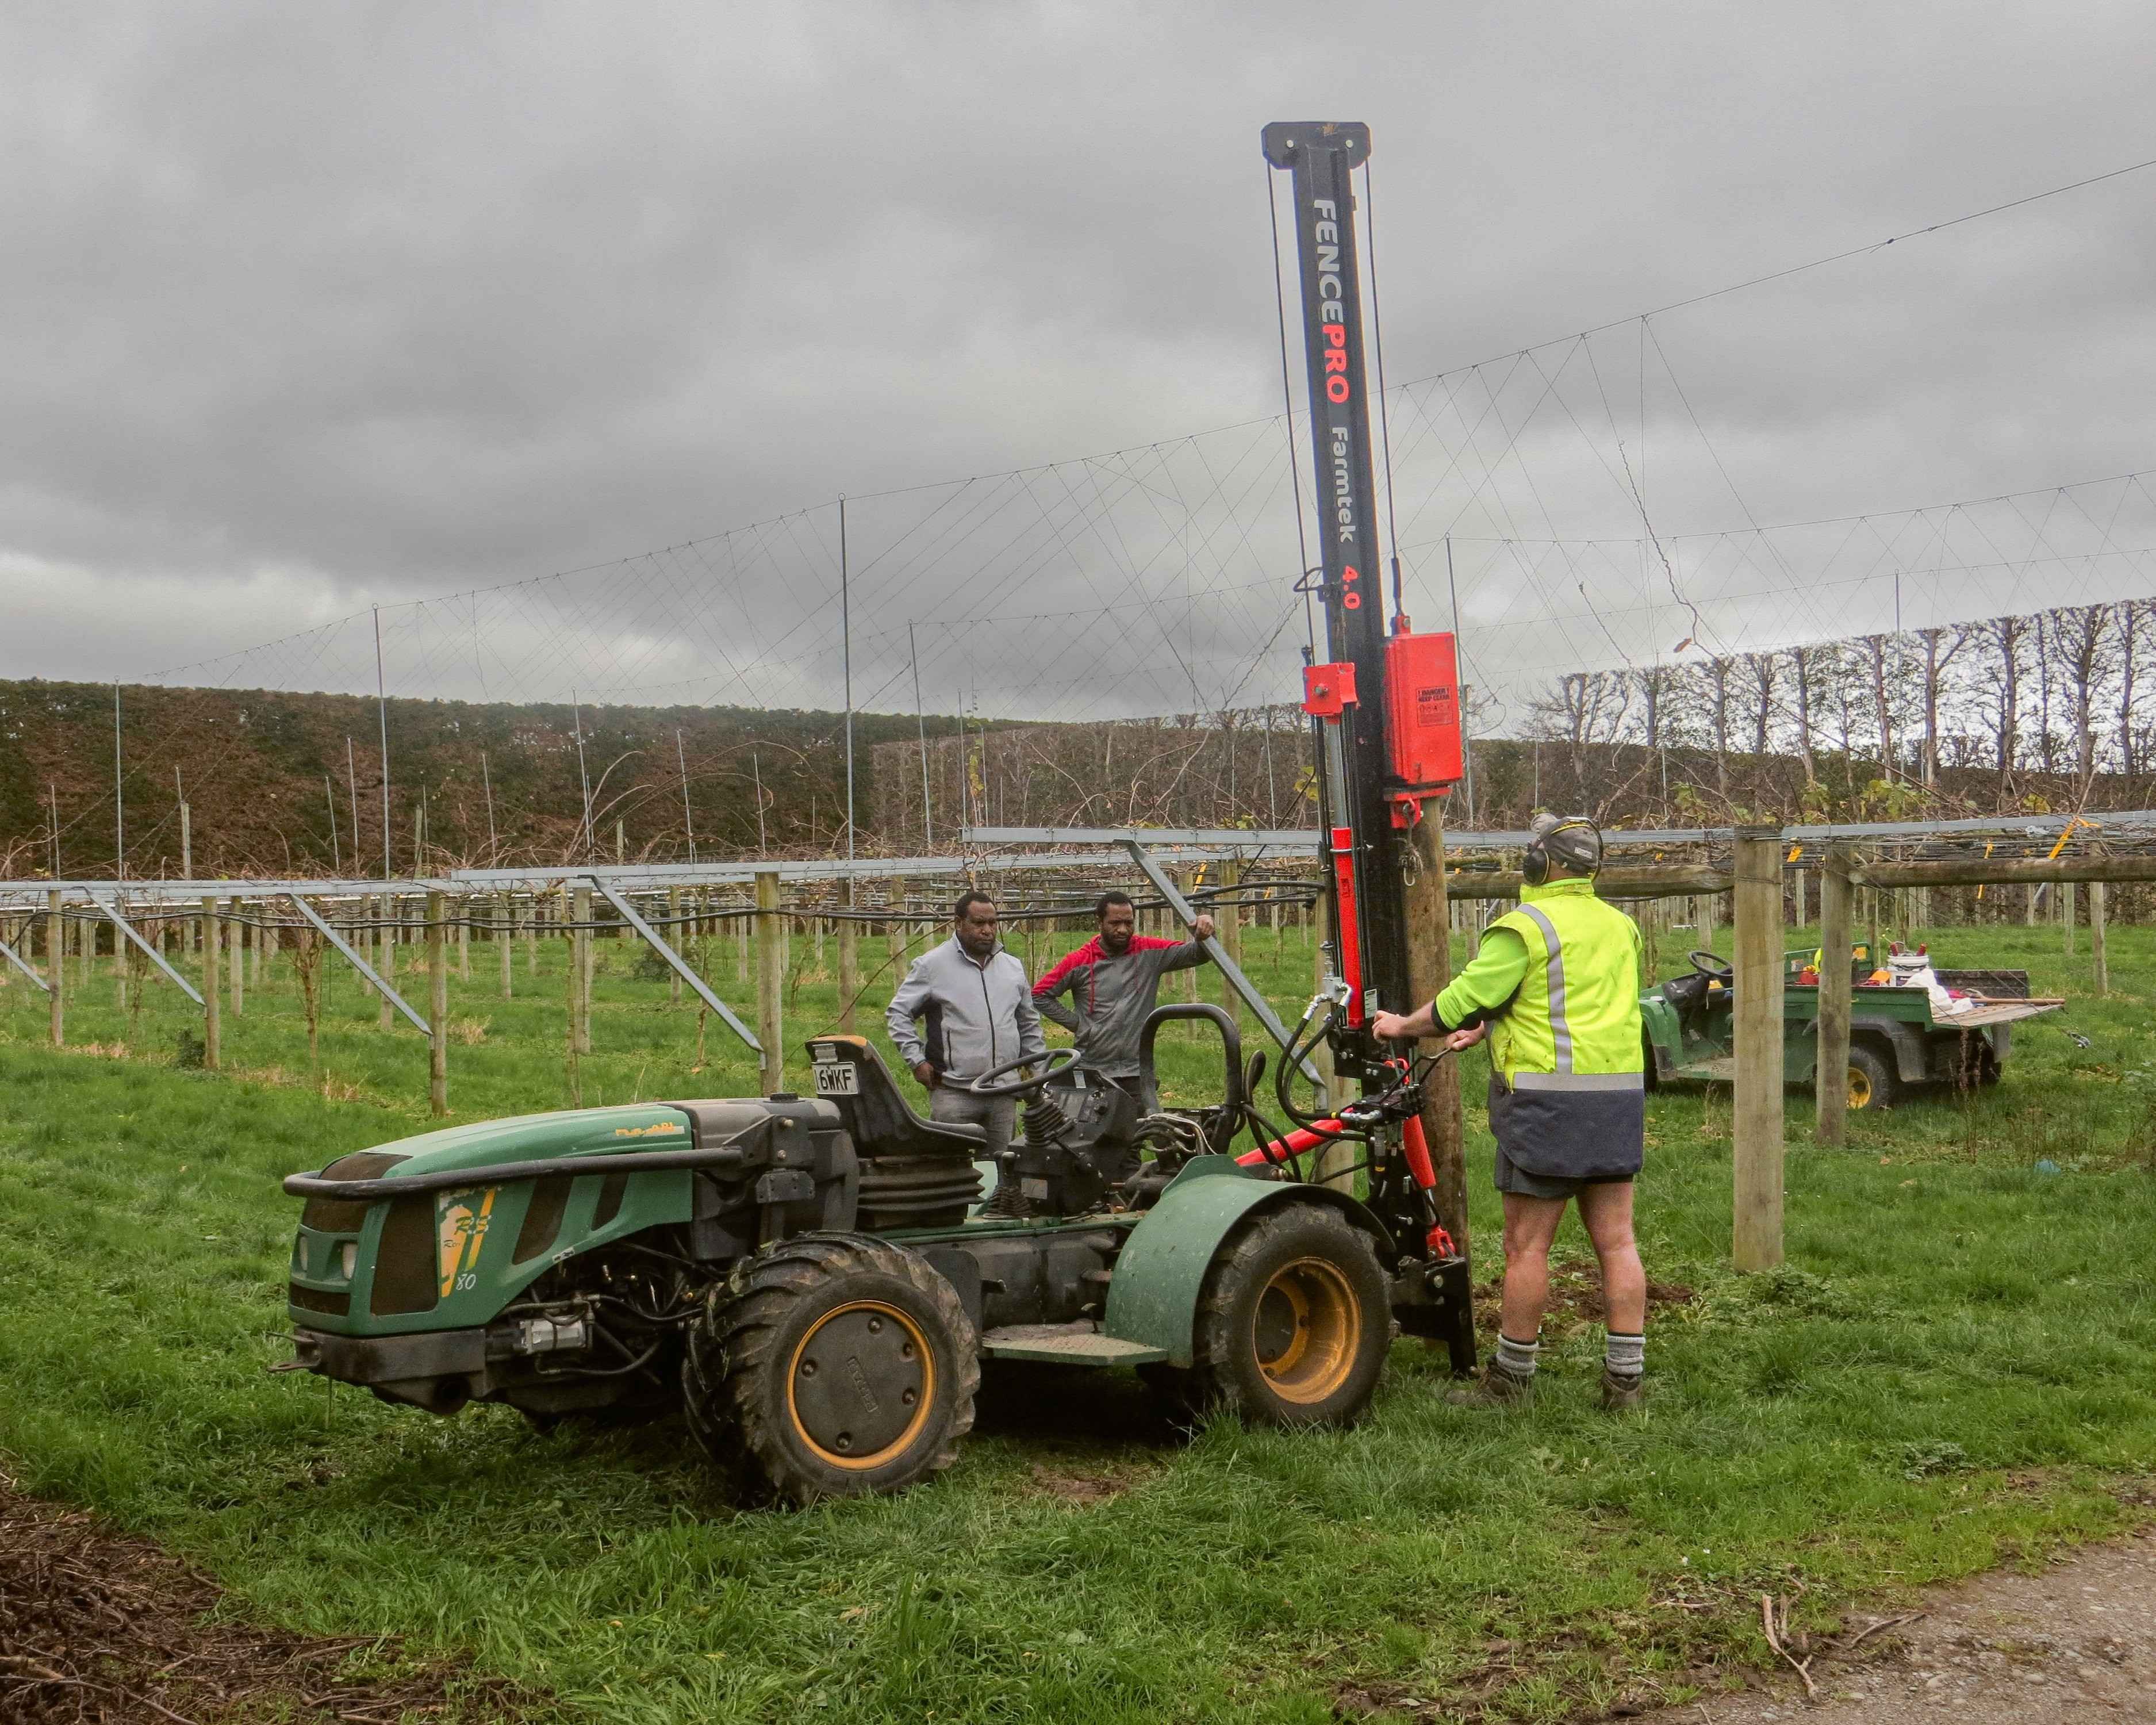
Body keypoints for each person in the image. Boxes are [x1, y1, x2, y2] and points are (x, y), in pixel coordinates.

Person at [1371, 813, 1648, 1412]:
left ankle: (1511, 1382)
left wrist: (1401, 1025)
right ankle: (1626, 1382)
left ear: (1539, 865)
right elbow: (1575, 997)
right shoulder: (1621, 926)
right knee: (1618, 1242)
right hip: (1617, 1100)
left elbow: (1456, 1002)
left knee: (1528, 1248)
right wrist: (1494, 1022)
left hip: (1548, 1106)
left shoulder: (1523, 928)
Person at [886, 890, 1046, 1161]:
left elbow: (1028, 1023)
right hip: (955, 1092)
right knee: (953, 1169)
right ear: (958, 923)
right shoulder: (932, 966)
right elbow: (898, 1013)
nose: (987, 930)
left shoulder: (1012, 967)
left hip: (1003, 1092)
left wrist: (1037, 1073)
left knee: (1002, 1170)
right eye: (979, 923)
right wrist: (916, 1061)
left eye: (993, 923)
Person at [1031, 891, 1215, 1111]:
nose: (1122, 929)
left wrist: (1205, 930)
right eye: (1115, 923)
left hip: (1136, 1070)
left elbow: (1198, 954)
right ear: (1099, 921)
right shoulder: (1079, 961)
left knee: (1134, 1135)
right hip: (1092, 1068)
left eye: (1129, 923)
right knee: (1090, 1136)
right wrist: (1079, 1025)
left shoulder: (1150, 952)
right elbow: (1040, 994)